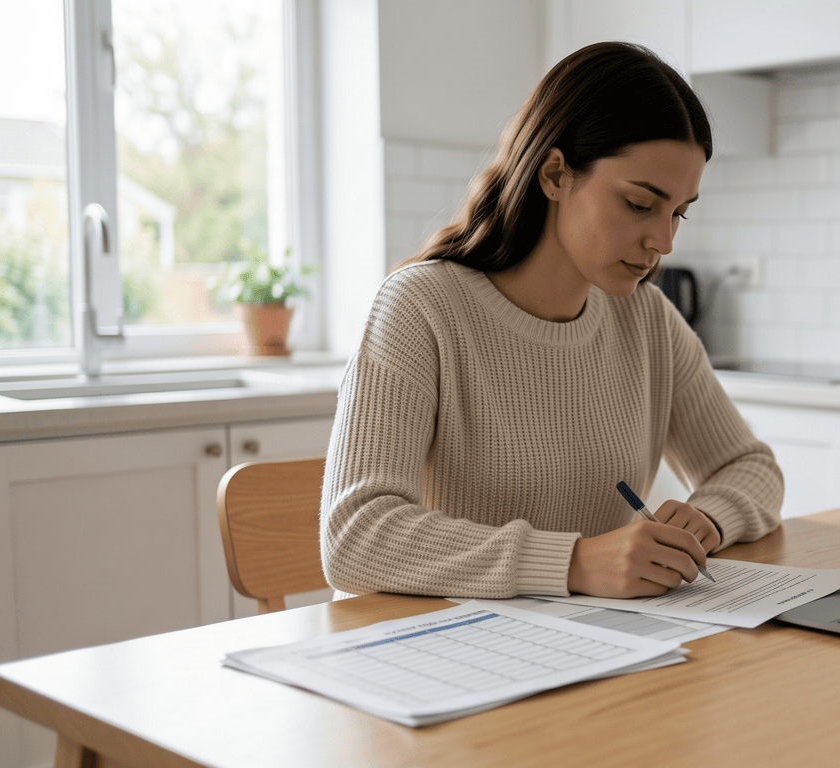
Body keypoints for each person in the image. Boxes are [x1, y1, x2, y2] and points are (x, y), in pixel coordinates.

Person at [320, 42, 784, 601]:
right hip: (449, 655)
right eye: (640, 204)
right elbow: (355, 537)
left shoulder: (647, 320)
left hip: (599, 645)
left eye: (678, 213)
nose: (662, 242)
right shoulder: (421, 308)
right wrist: (575, 564)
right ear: (555, 174)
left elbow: (750, 467)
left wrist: (708, 518)